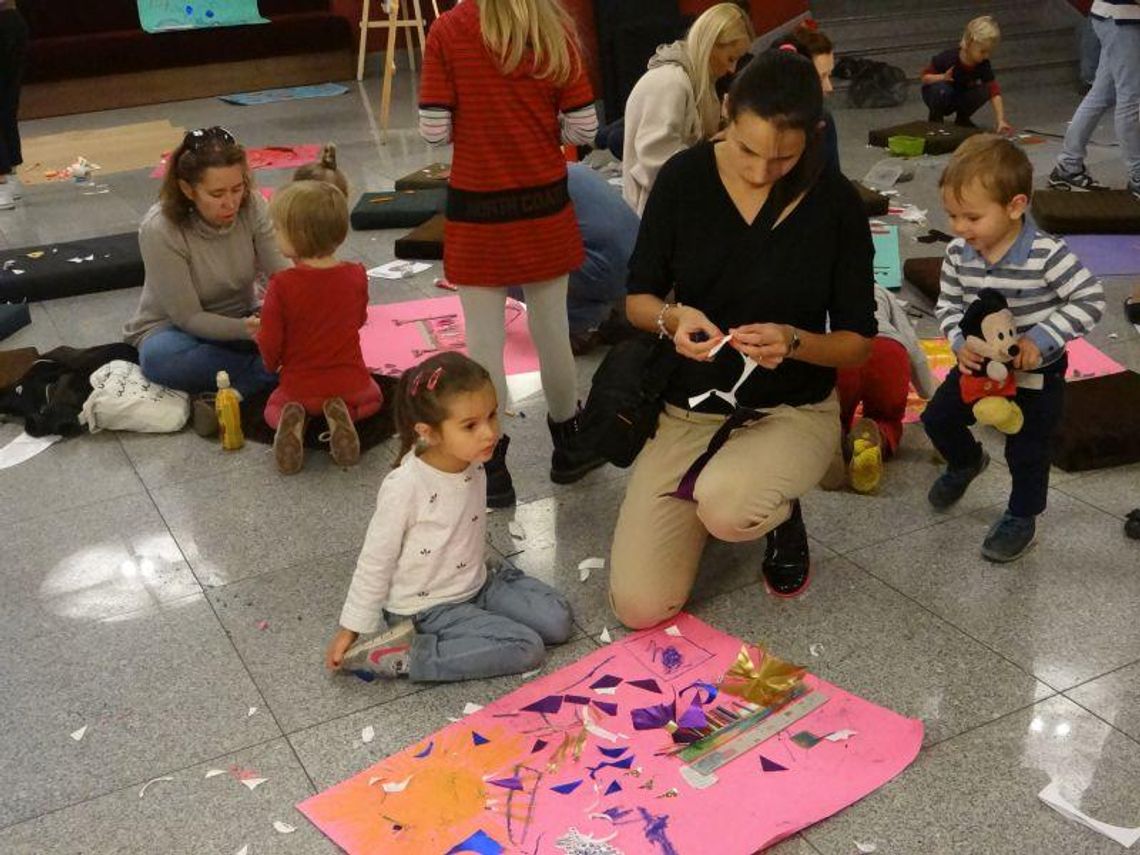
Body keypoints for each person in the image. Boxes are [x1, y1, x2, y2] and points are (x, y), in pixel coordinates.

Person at [608, 50, 877, 629]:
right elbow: (638, 300)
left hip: (793, 409)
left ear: (815, 134)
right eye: (748, 149)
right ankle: (727, 494)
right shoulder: (684, 178)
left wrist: (795, 341)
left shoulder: (836, 204)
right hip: (691, 409)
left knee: (728, 507)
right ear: (726, 111)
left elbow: (857, 343)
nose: (759, 171)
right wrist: (674, 320)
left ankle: (772, 511)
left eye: (784, 157)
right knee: (639, 606)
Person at [418, 0, 604, 509]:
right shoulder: (553, 25)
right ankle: (569, 447)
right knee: (552, 333)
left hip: (477, 211)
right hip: (544, 207)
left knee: (484, 345)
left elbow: (434, 132)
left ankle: (492, 468)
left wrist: (479, 135)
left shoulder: (447, 32)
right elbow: (584, 129)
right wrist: (541, 134)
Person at [324, 352, 574, 681]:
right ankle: (411, 656)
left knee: (558, 622)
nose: (489, 433)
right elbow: (375, 560)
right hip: (425, 608)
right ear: (429, 432)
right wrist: (351, 628)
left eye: (492, 415)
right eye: (470, 425)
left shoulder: (471, 457)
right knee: (527, 647)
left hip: (476, 582)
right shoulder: (404, 487)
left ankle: (494, 585)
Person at [923, 135, 1104, 562]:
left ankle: (1022, 516)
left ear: (1015, 206)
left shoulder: (1045, 255)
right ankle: (966, 461)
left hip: (1037, 375)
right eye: (952, 215)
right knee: (938, 419)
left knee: (1027, 448)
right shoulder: (957, 253)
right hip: (979, 367)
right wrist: (957, 340)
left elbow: (1090, 299)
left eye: (971, 217)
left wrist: (1039, 340)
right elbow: (948, 304)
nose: (959, 228)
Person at [124, 127, 289, 402]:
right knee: (160, 358)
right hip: (174, 329)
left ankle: (250, 380)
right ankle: (264, 376)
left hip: (244, 318)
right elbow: (188, 317)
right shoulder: (160, 228)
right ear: (188, 189)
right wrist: (251, 332)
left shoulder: (253, 204)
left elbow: (282, 276)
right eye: (216, 194)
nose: (230, 203)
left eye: (237, 189)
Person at [256, 180, 382, 474]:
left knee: (272, 408)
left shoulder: (282, 285)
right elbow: (359, 319)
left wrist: (270, 363)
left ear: (298, 236)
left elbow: (271, 340)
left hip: (299, 386)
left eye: (277, 229)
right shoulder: (356, 275)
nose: (274, 236)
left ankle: (293, 418)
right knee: (374, 398)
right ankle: (344, 414)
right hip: (351, 382)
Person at [1047, 0, 1140, 323]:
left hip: (1110, 17)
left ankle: (1069, 165)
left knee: (1105, 92)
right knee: (1131, 97)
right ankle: (1138, 176)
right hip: (1122, 19)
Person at [621, 2, 755, 215]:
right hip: (654, 215)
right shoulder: (671, 82)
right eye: (731, 58)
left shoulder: (697, 82)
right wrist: (717, 149)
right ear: (710, 44)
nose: (732, 69)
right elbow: (658, 167)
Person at [836, 284, 937, 493]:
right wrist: (928, 391)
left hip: (843, 351)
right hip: (889, 350)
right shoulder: (881, 291)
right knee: (887, 417)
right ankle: (875, 438)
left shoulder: (817, 286)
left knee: (832, 415)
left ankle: (833, 441)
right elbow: (912, 344)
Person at [920, 16, 1012, 134]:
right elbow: (924, 77)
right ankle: (935, 119)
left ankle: (962, 118)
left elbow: (994, 91)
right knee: (941, 89)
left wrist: (1000, 120)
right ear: (968, 44)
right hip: (941, 93)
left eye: (989, 52)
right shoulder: (947, 58)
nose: (987, 56)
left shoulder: (983, 64)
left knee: (985, 90)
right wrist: (942, 77)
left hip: (960, 95)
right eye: (983, 51)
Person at [769, 21, 840, 172]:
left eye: (830, 76)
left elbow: (833, 181)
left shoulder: (823, 120)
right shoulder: (758, 127)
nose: (829, 87)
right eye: (821, 78)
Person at [0, 0, 28, 211]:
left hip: (5, 23)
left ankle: (2, 184)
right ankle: (11, 178)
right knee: (6, 108)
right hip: (11, 21)